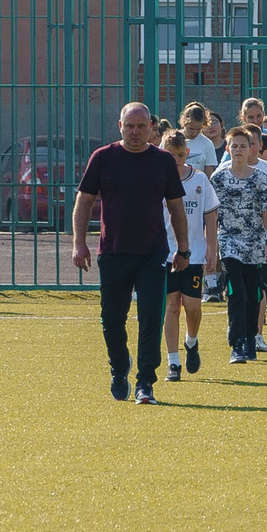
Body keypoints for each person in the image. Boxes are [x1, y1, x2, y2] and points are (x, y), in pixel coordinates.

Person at [71, 102, 188, 405]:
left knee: (151, 317)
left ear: (151, 127)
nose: (135, 132)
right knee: (111, 319)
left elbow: (176, 207)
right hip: (113, 251)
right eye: (129, 126)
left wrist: (183, 249)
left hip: (153, 253)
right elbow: (84, 200)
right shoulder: (103, 158)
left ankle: (145, 383)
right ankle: (119, 367)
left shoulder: (163, 161)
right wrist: (78, 242)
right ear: (119, 125)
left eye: (141, 126)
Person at [212, 124, 267, 363]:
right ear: (228, 149)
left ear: (252, 149)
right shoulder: (218, 178)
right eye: (234, 146)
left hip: (255, 243)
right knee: (236, 292)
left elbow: (266, 211)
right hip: (229, 240)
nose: (239, 150)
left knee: (253, 294)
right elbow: (212, 213)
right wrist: (212, 245)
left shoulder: (261, 178)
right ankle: (237, 342)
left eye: (243, 146)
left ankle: (251, 337)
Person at [159, 129, 219, 382]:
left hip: (193, 254)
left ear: (188, 153)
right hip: (166, 255)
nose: (176, 160)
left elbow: (210, 215)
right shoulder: (155, 180)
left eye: (181, 155)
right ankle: (173, 362)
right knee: (172, 306)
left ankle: (191, 341)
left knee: (192, 307)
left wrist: (212, 247)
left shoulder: (199, 181)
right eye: (170, 155)